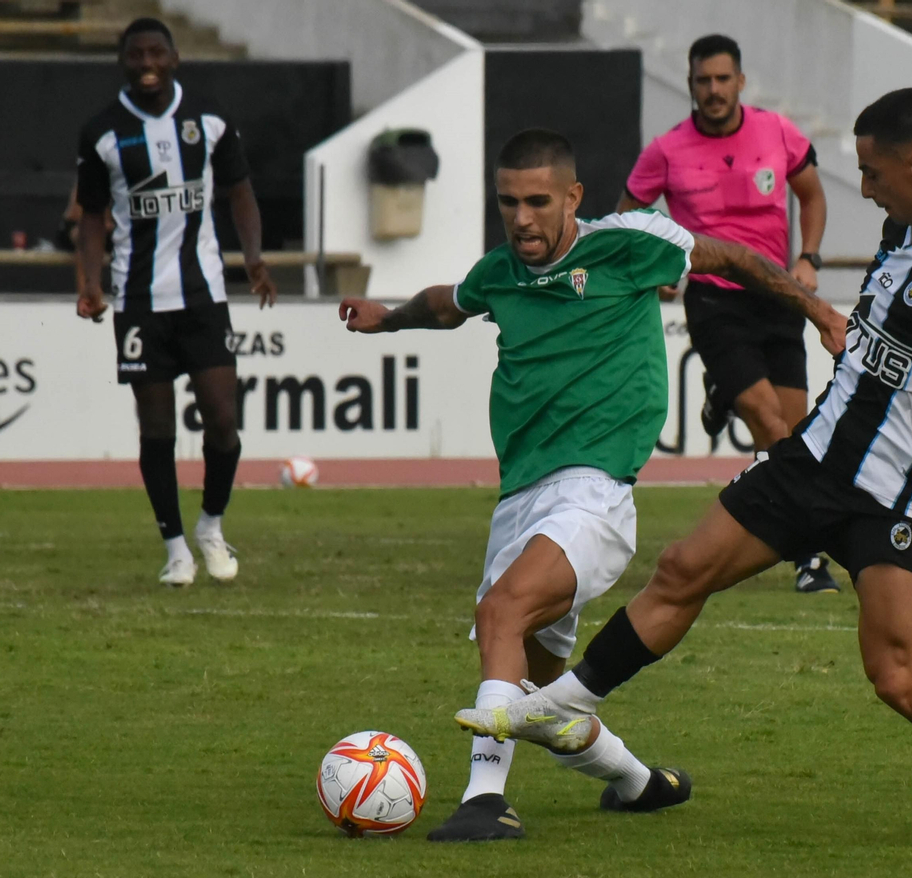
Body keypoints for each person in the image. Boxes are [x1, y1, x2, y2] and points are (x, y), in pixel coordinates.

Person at [457, 89, 912, 852]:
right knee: (683, 568)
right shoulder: (905, 225)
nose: (865, 190)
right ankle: (569, 703)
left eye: (872, 174)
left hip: (888, 496)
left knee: (897, 676)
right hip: (810, 459)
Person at [341, 129, 845, 842]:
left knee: (501, 613)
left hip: (592, 493)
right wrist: (387, 319)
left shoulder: (627, 245)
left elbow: (732, 256)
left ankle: (485, 801)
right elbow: (448, 303)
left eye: (538, 201)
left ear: (573, 197)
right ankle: (639, 784)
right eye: (508, 202)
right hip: (519, 501)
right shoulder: (500, 272)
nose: (521, 218)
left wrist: (821, 312)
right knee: (544, 700)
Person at [619, 35, 839, 594]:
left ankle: (723, 393)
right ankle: (808, 556)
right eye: (703, 81)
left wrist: (809, 258)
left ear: (740, 81)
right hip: (714, 299)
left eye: (722, 79)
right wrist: (651, 269)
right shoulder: (666, 150)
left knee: (794, 435)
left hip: (778, 294)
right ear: (690, 85)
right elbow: (627, 220)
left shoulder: (778, 132)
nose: (713, 90)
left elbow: (813, 196)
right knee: (768, 422)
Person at [74, 17, 276, 586]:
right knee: (157, 427)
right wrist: (89, 282)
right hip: (139, 300)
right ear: (123, 61)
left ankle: (211, 525)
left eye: (156, 53)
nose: (147, 63)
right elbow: (91, 216)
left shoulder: (208, 119)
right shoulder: (102, 132)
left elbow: (240, 192)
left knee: (222, 418)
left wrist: (254, 260)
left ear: (174, 58)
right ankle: (175, 548)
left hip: (203, 293)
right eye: (136, 54)